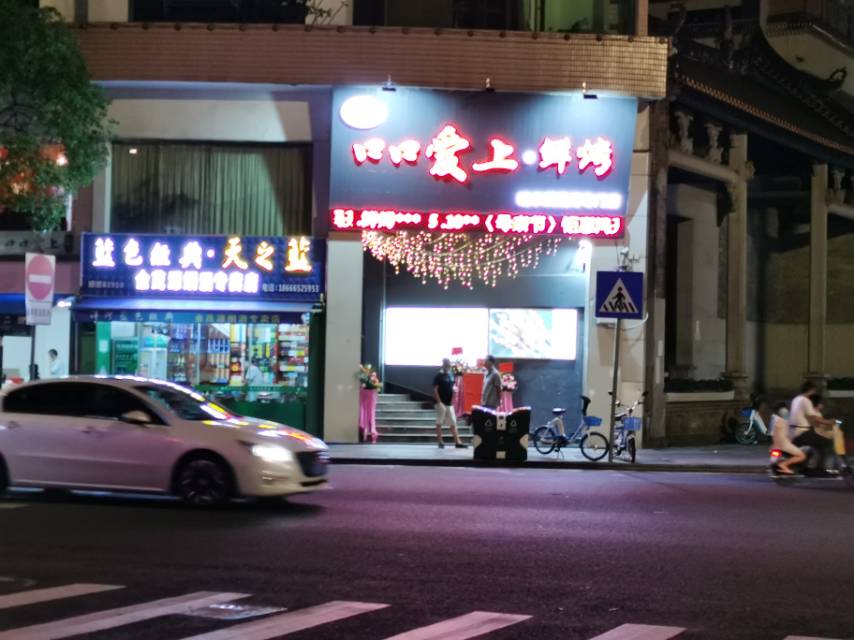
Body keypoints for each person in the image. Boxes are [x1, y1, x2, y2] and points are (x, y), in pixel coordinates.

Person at [789, 382, 835, 472]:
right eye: (814, 391)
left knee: (813, 444)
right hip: (801, 431)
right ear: (811, 390)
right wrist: (829, 422)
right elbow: (813, 417)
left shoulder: (796, 399)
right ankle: (820, 469)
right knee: (827, 442)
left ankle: (802, 466)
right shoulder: (806, 400)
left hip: (792, 431)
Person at [433, 358, 466, 449]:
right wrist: (439, 402)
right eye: (446, 364)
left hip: (449, 403)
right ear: (443, 364)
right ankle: (440, 441)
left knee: (453, 422)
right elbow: (435, 390)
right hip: (440, 403)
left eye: (449, 364)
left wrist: (453, 394)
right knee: (439, 422)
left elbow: (453, 386)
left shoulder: (450, 375)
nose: (447, 366)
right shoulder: (438, 376)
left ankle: (458, 442)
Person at [770, 402, 806, 475]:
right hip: (784, 444)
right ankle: (783, 465)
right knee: (802, 456)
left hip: (777, 445)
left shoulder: (774, 419)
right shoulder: (783, 419)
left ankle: (781, 466)